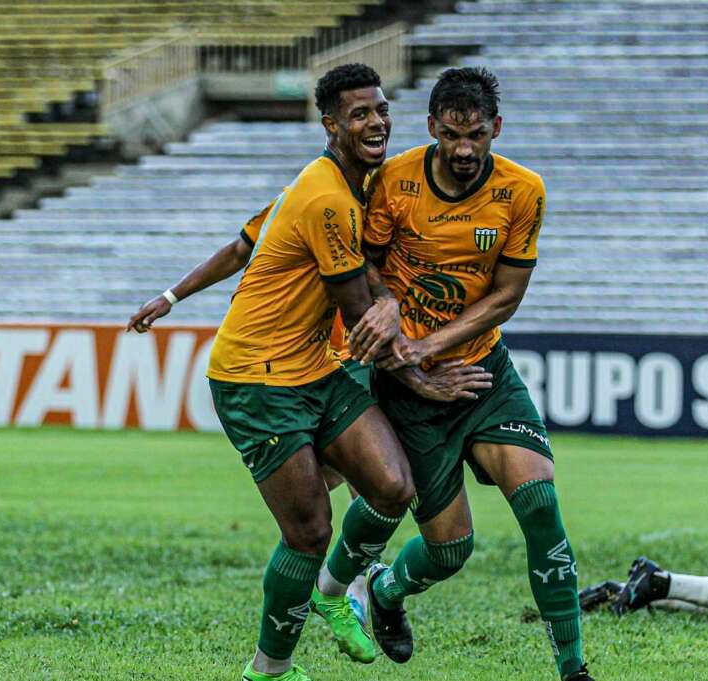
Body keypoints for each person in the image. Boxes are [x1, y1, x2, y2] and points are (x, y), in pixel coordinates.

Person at [126, 64, 490, 681]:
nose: (375, 122)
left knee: (393, 487)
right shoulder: (327, 199)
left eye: (379, 109)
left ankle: (332, 589)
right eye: (358, 114)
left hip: (316, 369)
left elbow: (244, 244)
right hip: (256, 378)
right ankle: (270, 669)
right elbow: (359, 315)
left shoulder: (341, 181)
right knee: (308, 529)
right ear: (330, 125)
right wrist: (426, 379)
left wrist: (171, 294)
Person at [338, 66, 593, 681]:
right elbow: (363, 272)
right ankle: (387, 592)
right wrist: (408, 353)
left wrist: (435, 347)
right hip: (409, 392)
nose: (463, 148)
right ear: (431, 128)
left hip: (482, 373)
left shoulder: (524, 190)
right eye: (451, 134)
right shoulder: (393, 180)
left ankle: (573, 668)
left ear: (495, 129)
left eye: (476, 134)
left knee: (540, 505)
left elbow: (506, 296)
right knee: (450, 551)